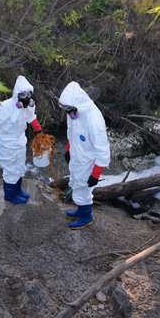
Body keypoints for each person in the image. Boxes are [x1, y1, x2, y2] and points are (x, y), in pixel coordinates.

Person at [0, 76, 43, 204]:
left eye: (29, 94)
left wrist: (39, 131)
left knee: (19, 167)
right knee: (10, 169)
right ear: (17, 95)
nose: (27, 97)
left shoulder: (29, 106)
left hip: (20, 140)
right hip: (5, 142)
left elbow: (31, 117)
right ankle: (10, 195)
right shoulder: (5, 107)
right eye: (23, 94)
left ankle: (17, 191)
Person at [59, 81, 110, 229]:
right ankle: (81, 209)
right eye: (65, 109)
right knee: (75, 183)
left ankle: (86, 216)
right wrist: (68, 149)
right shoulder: (74, 113)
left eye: (68, 109)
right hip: (77, 155)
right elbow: (71, 132)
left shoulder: (94, 120)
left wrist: (96, 174)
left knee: (83, 187)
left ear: (77, 104)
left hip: (89, 160)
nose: (67, 112)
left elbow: (102, 150)